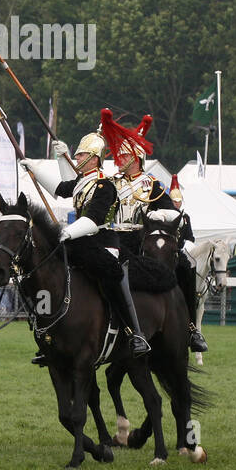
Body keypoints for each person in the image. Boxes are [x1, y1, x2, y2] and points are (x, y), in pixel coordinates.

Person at [21, 112, 149, 362]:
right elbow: (61, 188)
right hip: (80, 242)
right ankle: (48, 335)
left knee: (111, 278)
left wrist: (66, 232)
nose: (77, 158)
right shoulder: (84, 181)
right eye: (76, 154)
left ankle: (134, 332)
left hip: (102, 243)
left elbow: (93, 220)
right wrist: (35, 168)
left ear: (93, 158)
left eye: (80, 155)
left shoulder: (104, 185)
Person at [108, 114, 206, 353]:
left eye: (124, 156)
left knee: (186, 266)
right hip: (113, 237)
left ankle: (192, 328)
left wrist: (156, 217)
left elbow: (172, 212)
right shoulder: (110, 182)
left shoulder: (152, 184)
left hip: (142, 239)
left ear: (137, 158)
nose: (119, 160)